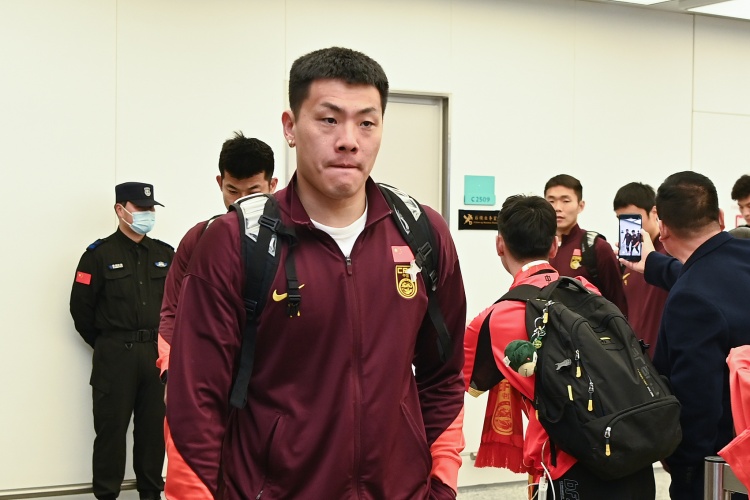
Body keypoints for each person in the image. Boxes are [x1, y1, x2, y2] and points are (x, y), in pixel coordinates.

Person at [166, 46, 467, 499]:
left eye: (366, 122)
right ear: (290, 127)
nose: (349, 140)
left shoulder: (421, 233)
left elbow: (443, 376)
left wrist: (441, 486)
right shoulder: (235, 243)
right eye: (328, 119)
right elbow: (194, 403)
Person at [463, 194, 655, 499]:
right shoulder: (587, 290)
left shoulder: (493, 320)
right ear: (554, 246)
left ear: (500, 245)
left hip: (566, 466)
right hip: (630, 449)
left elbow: (455, 381)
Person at [157, 132, 277, 499]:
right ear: (219, 183)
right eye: (232, 191)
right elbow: (171, 312)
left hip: (268, 392)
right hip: (208, 387)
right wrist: (172, 372)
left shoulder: (292, 240)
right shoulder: (200, 239)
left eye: (253, 191)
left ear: (273, 185)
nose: (241, 202)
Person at [622, 171, 750, 500]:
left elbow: (698, 400)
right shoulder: (741, 257)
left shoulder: (690, 298)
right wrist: (653, 264)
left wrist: (684, 465)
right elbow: (706, 274)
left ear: (662, 229)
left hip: (724, 465)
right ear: (720, 216)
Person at [70, 182, 174, 500]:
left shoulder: (165, 255)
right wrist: (109, 343)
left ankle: (150, 495)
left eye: (150, 208)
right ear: (120, 209)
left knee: (153, 435)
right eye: (141, 208)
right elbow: (81, 311)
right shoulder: (97, 256)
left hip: (156, 357)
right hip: (115, 356)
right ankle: (106, 495)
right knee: (110, 433)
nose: (147, 213)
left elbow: (179, 307)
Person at [545, 174, 628, 315]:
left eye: (566, 201)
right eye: (551, 201)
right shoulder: (538, 247)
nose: (557, 208)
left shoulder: (597, 247)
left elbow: (618, 302)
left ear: (580, 206)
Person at [612, 182, 669, 356]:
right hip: (635, 357)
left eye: (634, 219)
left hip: (664, 355)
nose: (630, 226)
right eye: (622, 220)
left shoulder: (671, 254)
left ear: (654, 212)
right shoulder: (627, 262)